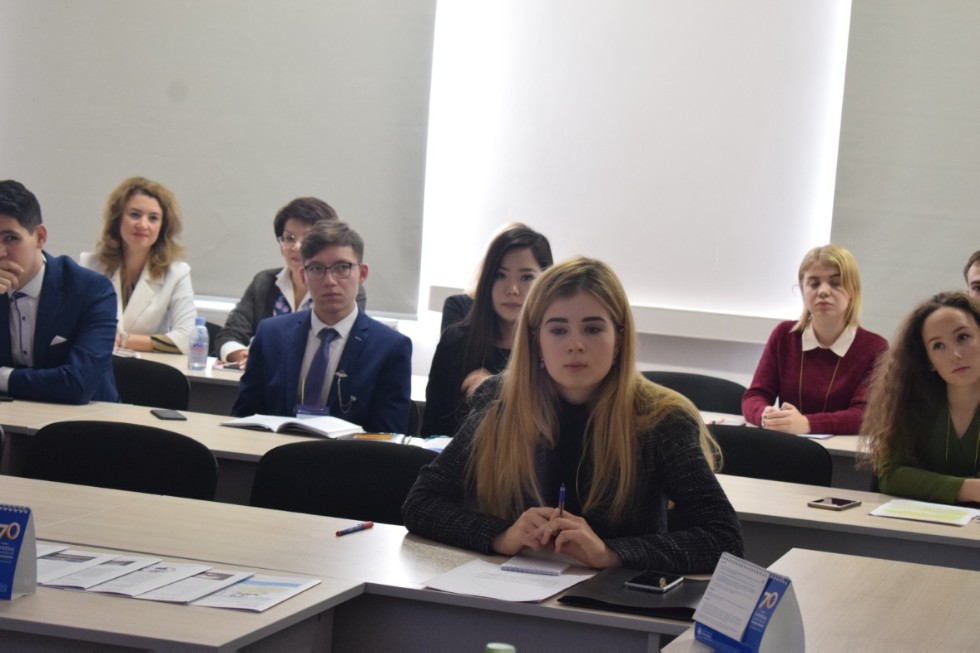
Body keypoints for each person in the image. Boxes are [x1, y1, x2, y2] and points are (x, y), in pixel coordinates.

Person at [403, 257, 743, 572]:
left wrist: (610, 553)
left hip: (614, 603)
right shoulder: (499, 401)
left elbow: (724, 539)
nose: (575, 345)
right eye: (558, 330)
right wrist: (502, 536)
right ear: (536, 341)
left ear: (619, 339)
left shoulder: (662, 419)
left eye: (593, 329)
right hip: (514, 592)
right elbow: (421, 503)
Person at [232, 221, 412, 433]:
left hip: (350, 454)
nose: (329, 281)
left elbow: (388, 436)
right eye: (316, 269)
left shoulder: (389, 347)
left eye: (342, 268)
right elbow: (244, 417)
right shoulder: (271, 334)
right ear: (304, 276)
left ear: (362, 273)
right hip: (273, 451)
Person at [422, 224, 553, 436]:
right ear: (486, 280)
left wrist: (495, 389)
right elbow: (433, 430)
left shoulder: (552, 348)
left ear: (545, 282)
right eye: (500, 275)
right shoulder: (455, 341)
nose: (512, 290)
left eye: (526, 277)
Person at [742, 244, 887, 435]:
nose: (823, 291)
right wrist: (765, 415)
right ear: (803, 290)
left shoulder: (875, 347)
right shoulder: (784, 335)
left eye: (835, 283)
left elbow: (864, 415)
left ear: (853, 290)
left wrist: (806, 423)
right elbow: (755, 395)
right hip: (787, 444)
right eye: (814, 284)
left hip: (841, 451)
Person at [0, 180, 118, 403]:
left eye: (11, 238)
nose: (1, 252)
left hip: (86, 421)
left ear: (40, 237)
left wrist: (4, 378)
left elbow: (78, 383)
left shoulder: (91, 291)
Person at [215, 197, 366, 365]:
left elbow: (340, 347)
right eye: (290, 238)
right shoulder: (264, 282)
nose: (297, 246)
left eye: (307, 238)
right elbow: (229, 335)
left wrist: (268, 358)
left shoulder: (344, 288)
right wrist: (246, 357)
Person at [862, 292, 980, 504]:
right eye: (938, 346)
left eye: (963, 337)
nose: (955, 355)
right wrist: (967, 489)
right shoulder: (911, 402)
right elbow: (890, 475)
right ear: (929, 360)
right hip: (922, 521)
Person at [81, 177, 196, 354]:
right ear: (118, 219)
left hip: (146, 367)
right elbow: (73, 327)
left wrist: (123, 340)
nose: (143, 225)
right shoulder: (90, 265)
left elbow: (187, 338)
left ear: (163, 226)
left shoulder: (177, 273)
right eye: (135, 215)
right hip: (97, 363)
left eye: (153, 218)